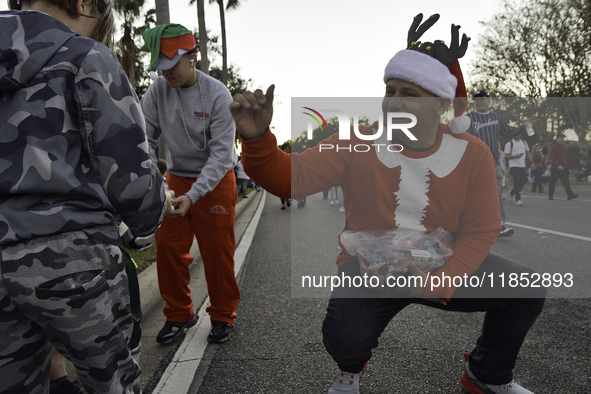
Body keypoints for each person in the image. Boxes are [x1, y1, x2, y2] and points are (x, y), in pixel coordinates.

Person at [230, 13, 546, 394]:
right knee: (344, 335)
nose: (394, 101)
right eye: (389, 90)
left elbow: (482, 229)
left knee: (526, 287)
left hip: (439, 264)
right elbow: (289, 179)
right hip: (370, 267)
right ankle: (350, 370)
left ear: (441, 104)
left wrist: (445, 278)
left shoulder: (472, 153)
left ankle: (486, 375)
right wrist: (259, 138)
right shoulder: (355, 141)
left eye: (409, 94)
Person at [0, 1, 174, 393]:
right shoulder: (85, 57)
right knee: (112, 383)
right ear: (83, 3)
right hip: (73, 259)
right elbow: (135, 189)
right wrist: (158, 205)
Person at [141, 23, 240, 344]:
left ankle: (223, 313)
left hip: (215, 179)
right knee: (168, 246)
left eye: (172, 66)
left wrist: (195, 195)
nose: (165, 73)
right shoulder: (157, 90)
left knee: (216, 251)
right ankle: (179, 313)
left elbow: (223, 155)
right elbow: (143, 138)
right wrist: (159, 185)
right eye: (161, 67)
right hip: (177, 178)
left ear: (193, 58)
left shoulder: (217, 95)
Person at [466, 91, 534, 237]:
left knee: (496, 194)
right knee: (473, 195)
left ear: (488, 100)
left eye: (482, 99)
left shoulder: (496, 117)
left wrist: (524, 127)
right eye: (476, 100)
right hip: (473, 164)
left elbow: (508, 133)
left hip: (493, 162)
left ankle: (499, 225)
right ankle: (471, 224)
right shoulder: (469, 118)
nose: (479, 102)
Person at [504, 134, 532, 206]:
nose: (518, 135)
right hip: (513, 165)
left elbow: (528, 153)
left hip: (522, 165)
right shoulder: (510, 143)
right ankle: (518, 199)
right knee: (517, 181)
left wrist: (532, 162)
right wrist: (514, 156)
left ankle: (511, 193)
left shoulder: (524, 142)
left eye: (519, 133)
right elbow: (506, 155)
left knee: (524, 180)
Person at [548, 134, 578, 200]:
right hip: (555, 168)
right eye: (560, 138)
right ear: (557, 139)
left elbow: (566, 157)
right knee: (553, 181)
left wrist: (566, 165)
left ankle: (570, 195)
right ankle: (550, 195)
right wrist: (558, 165)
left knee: (566, 181)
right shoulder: (553, 148)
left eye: (562, 138)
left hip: (564, 167)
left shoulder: (565, 148)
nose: (562, 139)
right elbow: (552, 157)